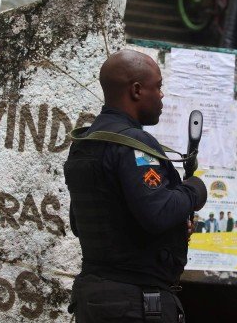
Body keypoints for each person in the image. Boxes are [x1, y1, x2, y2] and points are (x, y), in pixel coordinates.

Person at [64, 49, 208, 323]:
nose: (162, 95)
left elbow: (82, 221)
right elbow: (158, 212)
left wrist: (174, 230)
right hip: (134, 302)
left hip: (94, 299)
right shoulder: (135, 145)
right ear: (137, 90)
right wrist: (194, 190)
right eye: (159, 86)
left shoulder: (85, 143)